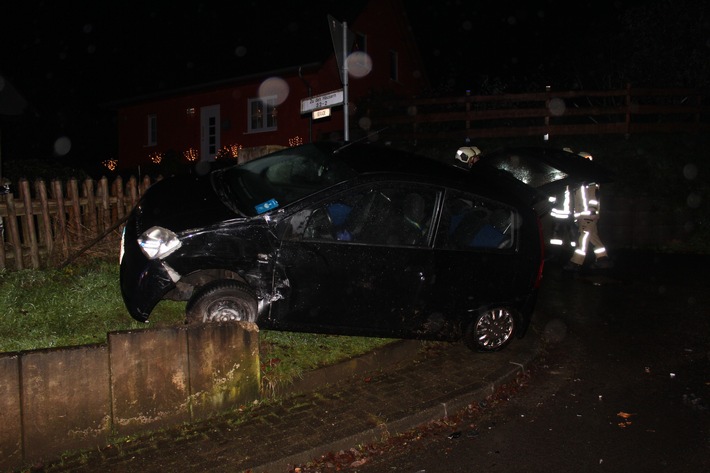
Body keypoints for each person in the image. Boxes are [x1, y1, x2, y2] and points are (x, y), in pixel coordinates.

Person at [564, 151, 611, 271]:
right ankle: (603, 260)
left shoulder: (589, 178)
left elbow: (593, 197)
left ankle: (575, 262)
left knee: (583, 239)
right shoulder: (583, 177)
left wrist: (591, 211)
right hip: (585, 215)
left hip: (587, 215)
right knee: (593, 237)